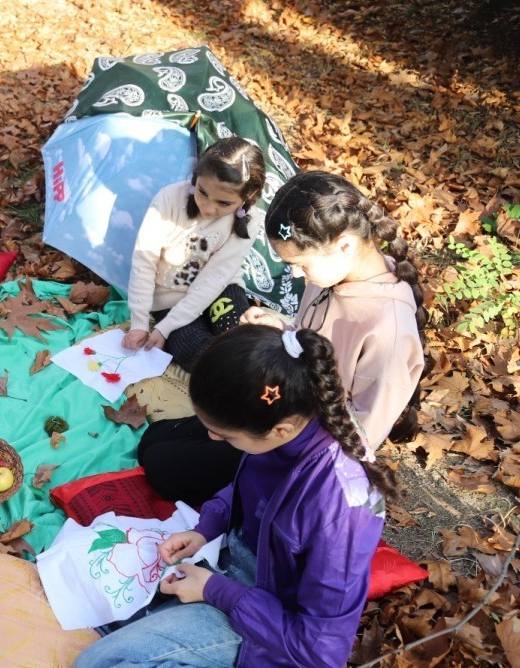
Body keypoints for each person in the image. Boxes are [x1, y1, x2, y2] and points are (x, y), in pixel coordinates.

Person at [72, 325, 392, 668]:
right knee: (101, 610)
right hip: (232, 572)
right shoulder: (286, 425)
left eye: (223, 435)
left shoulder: (338, 508)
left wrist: (213, 590)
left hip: (266, 614)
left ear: (279, 430)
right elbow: (244, 489)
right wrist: (206, 527)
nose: (212, 440)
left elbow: (321, 650)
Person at [137, 171, 425, 505]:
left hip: (298, 447)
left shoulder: (388, 328)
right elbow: (311, 340)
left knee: (162, 466)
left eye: (300, 264)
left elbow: (360, 437)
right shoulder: (331, 274)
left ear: (344, 245)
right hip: (276, 405)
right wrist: (280, 330)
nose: (296, 275)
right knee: (154, 440)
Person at [122, 136, 266, 370]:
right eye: (202, 192)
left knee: (241, 339)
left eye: (223, 203)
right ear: (196, 176)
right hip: (170, 300)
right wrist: (143, 323)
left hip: (221, 289)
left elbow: (215, 279)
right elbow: (144, 261)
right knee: (197, 352)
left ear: (246, 199)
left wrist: (168, 326)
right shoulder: (169, 199)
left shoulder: (250, 219)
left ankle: (258, 379)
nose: (207, 207)